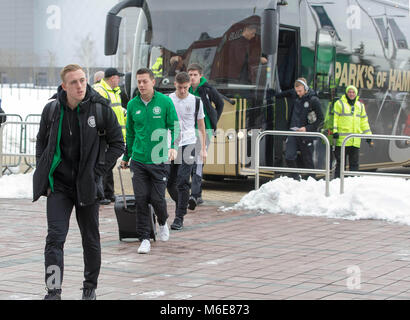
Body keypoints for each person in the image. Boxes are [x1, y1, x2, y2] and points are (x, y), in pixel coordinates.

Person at [33, 64, 124, 300]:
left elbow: (118, 144)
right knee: (54, 239)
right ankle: (53, 290)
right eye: (74, 82)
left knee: (91, 240)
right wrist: (46, 173)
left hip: (87, 187)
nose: (80, 86)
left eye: (83, 80)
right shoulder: (52, 110)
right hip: (60, 188)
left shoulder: (100, 109)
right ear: (64, 86)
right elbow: (41, 142)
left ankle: (89, 288)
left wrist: (99, 171)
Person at [120, 68, 179, 254]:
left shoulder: (165, 102)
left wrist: (173, 148)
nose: (141, 85)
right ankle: (144, 238)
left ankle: (162, 222)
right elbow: (129, 133)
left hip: (159, 158)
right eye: (139, 81)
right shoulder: (132, 105)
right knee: (141, 199)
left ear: (153, 82)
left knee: (157, 199)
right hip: (138, 159)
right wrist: (126, 157)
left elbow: (175, 126)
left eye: (145, 81)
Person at [167, 72, 207, 230]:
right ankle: (182, 203)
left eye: (185, 87)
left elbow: (202, 126)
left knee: (183, 180)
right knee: (170, 182)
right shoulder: (168, 100)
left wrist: (203, 149)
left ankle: (179, 217)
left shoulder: (196, 101)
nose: (182, 91)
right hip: (172, 143)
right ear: (175, 85)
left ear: (189, 85)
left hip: (189, 143)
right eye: (179, 87)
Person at [187, 63, 224, 209]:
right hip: (189, 132)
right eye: (190, 75)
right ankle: (199, 194)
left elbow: (220, 104)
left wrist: (214, 119)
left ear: (200, 75)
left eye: (195, 75)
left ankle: (194, 195)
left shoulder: (208, 89)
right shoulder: (186, 90)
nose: (192, 77)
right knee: (189, 162)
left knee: (198, 162)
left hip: (205, 131)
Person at [93, 67, 127, 205]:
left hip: (114, 136)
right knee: (103, 165)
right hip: (105, 135)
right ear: (112, 78)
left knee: (108, 165)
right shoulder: (101, 91)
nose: (119, 80)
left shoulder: (114, 92)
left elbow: (118, 113)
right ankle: (100, 194)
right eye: (118, 77)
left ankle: (108, 193)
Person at [282, 78, 324, 180]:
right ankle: (295, 178)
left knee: (307, 158)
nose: (298, 93)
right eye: (297, 91)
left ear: (305, 88)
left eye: (300, 91)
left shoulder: (313, 100)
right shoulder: (295, 98)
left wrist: (307, 128)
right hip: (293, 132)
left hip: (306, 134)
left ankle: (312, 180)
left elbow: (321, 119)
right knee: (289, 156)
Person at [333, 85, 372, 178]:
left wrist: (368, 136)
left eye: (353, 92)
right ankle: (338, 182)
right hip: (342, 140)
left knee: (354, 164)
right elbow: (335, 119)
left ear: (356, 94)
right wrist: (335, 131)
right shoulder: (339, 103)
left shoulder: (360, 106)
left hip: (355, 141)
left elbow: (364, 122)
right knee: (340, 164)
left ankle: (352, 183)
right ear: (346, 93)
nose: (351, 94)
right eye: (349, 92)